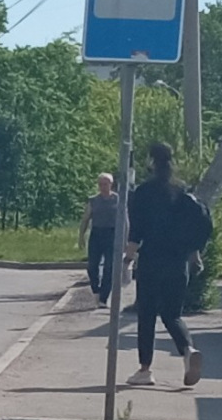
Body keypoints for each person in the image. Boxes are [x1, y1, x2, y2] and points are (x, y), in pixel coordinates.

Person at [124, 143, 204, 387]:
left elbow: (136, 231)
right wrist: (194, 254)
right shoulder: (182, 190)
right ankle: (188, 351)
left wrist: (127, 259)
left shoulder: (144, 192)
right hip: (178, 261)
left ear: (151, 162)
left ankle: (145, 370)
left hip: (152, 260)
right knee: (172, 314)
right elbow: (192, 224)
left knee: (147, 314)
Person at [79, 173, 119, 308]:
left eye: (105, 184)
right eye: (100, 184)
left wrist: (125, 240)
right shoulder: (93, 200)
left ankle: (103, 297)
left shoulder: (118, 199)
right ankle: (96, 290)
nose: (102, 187)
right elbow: (85, 219)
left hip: (112, 234)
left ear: (111, 184)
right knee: (92, 266)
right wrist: (81, 237)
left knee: (109, 267)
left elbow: (125, 220)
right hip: (96, 234)